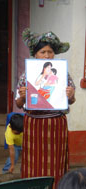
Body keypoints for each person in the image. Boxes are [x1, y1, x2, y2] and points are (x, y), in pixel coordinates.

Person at [16, 28, 76, 188]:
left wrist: (70, 95)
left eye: (50, 52)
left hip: (56, 125)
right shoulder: (26, 75)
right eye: (43, 52)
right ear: (35, 54)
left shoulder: (63, 74)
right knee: (33, 160)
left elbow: (72, 100)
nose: (47, 55)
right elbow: (19, 104)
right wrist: (22, 96)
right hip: (34, 125)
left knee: (55, 161)